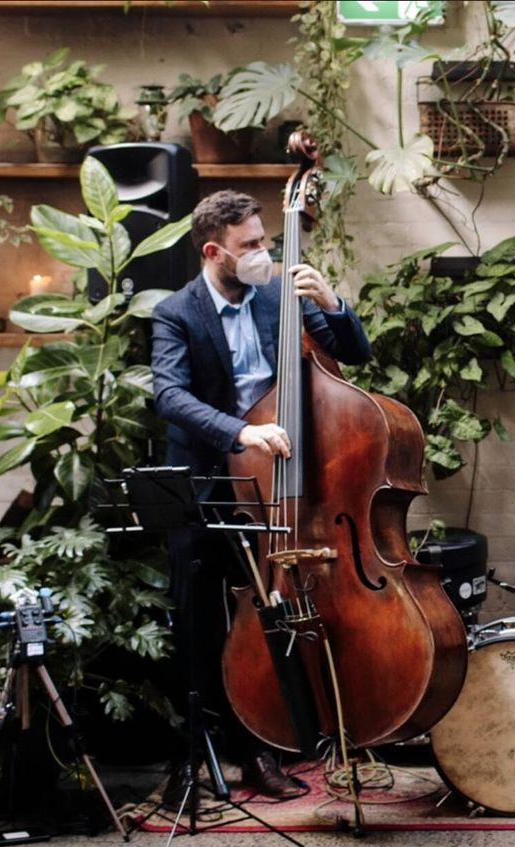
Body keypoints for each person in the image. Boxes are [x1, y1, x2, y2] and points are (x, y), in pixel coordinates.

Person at [150, 189, 372, 801]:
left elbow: (356, 352)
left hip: (280, 481)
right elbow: (169, 396)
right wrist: (240, 430)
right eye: (250, 246)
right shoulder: (177, 313)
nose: (264, 254)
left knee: (269, 618)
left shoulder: (279, 295)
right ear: (214, 250)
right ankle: (192, 759)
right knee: (197, 622)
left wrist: (333, 302)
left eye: (266, 241)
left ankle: (262, 752)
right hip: (209, 481)